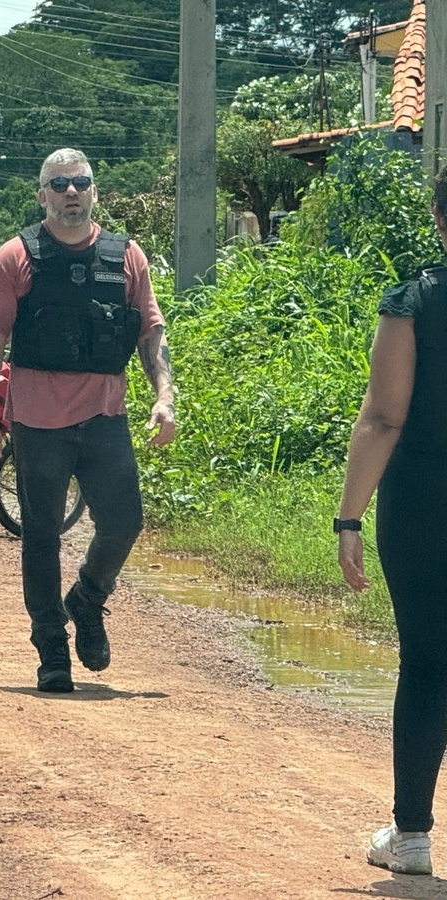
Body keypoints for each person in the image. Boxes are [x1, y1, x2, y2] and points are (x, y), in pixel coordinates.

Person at [0, 148, 175, 694]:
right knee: (41, 535)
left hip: (106, 417)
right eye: (58, 185)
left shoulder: (127, 257)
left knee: (124, 521)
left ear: (94, 192)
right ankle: (51, 648)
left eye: (80, 183)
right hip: (39, 424)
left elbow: (150, 332)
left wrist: (165, 397)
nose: (70, 193)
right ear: (42, 196)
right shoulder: (15, 258)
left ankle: (86, 599)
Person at [336, 166, 447, 878]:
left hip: (424, 503)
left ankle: (410, 837)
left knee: (430, 662)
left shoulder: (414, 302)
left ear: (439, 216)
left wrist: (349, 517)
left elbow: (383, 416)